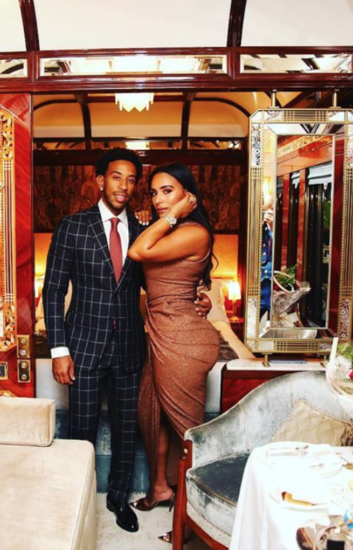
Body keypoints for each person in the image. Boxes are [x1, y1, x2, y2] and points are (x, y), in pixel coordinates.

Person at [43, 149, 211, 534]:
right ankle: (75, 501)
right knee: (81, 431)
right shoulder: (73, 226)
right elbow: (53, 290)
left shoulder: (144, 230)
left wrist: (197, 297)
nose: (125, 186)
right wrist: (59, 349)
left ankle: (119, 498)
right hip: (83, 348)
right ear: (100, 180)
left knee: (125, 431)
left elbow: (164, 280)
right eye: (117, 177)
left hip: (131, 347)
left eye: (133, 180)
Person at [127, 163, 220, 543]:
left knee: (188, 434)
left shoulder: (193, 231)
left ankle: (194, 519)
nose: (158, 199)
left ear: (187, 194)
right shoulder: (169, 231)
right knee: (153, 413)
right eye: (153, 192)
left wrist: (175, 214)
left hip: (184, 341)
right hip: (162, 336)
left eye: (168, 191)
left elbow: (138, 250)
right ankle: (160, 488)